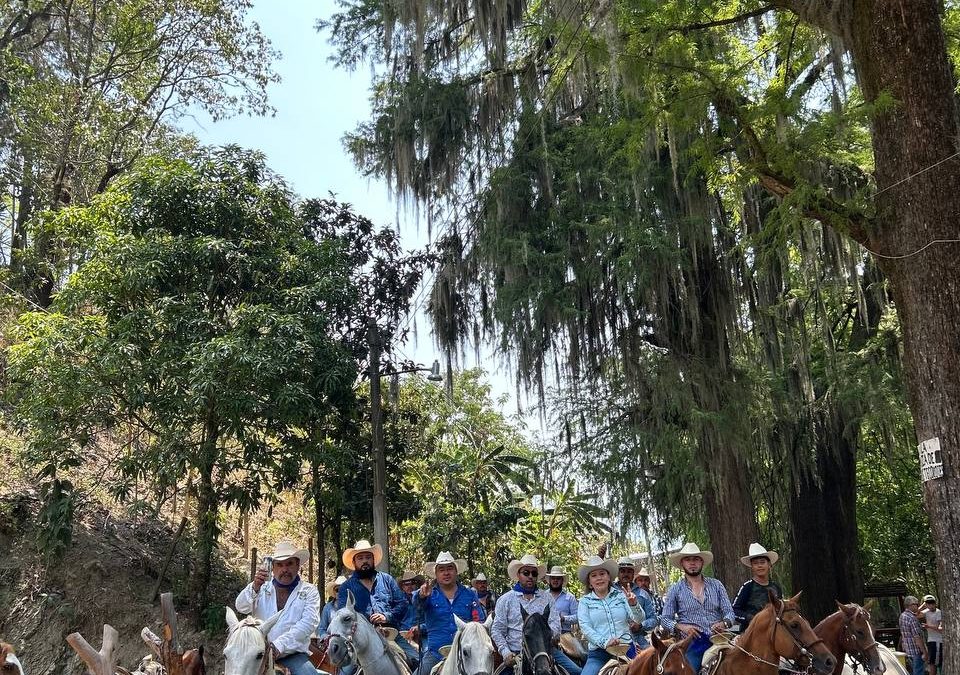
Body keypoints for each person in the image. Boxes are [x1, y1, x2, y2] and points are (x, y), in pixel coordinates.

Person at [235, 540, 322, 675]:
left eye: (289, 564)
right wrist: (254, 587)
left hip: (292, 655)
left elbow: (308, 624)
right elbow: (241, 607)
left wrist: (278, 646)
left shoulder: (309, 591)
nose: (285, 569)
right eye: (280, 565)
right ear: (273, 568)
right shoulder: (261, 587)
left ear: (297, 565)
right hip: (256, 653)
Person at [492, 554, 582, 675]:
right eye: (526, 573)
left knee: (577, 672)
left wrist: (547, 635)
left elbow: (555, 624)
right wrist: (505, 652)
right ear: (518, 575)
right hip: (515, 653)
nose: (530, 576)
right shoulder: (505, 600)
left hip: (545, 651)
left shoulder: (546, 597)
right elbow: (497, 630)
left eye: (534, 574)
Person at [659, 543, 735, 673]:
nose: (692, 563)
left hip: (719, 639)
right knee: (689, 670)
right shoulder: (675, 589)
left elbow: (729, 613)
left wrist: (723, 623)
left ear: (702, 562)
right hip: (692, 644)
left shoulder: (716, 585)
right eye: (688, 560)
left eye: (696, 559)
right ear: (682, 563)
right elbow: (665, 620)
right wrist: (683, 627)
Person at [415, 552, 486, 675]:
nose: (446, 573)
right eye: (441, 570)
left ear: (456, 571)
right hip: (436, 653)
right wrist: (421, 596)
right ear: (436, 574)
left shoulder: (469, 594)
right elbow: (417, 603)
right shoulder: (428, 593)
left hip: (466, 654)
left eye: (450, 568)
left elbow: (478, 623)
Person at [576, 555, 642, 675]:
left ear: (609, 577)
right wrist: (605, 642)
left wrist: (634, 605)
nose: (599, 578)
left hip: (626, 648)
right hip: (599, 653)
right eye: (594, 575)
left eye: (602, 574)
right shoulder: (584, 602)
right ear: (589, 582)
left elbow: (638, 619)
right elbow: (586, 628)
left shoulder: (621, 595)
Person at [337, 539, 408, 629]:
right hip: (361, 636)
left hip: (390, 632)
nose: (365, 561)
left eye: (368, 557)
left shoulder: (387, 579)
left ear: (373, 559)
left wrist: (386, 616)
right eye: (360, 558)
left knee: (406, 644)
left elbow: (402, 604)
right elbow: (344, 614)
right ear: (354, 562)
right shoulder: (346, 587)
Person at [731, 543, 783, 631]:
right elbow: (734, 611)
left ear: (769, 564)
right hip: (751, 632)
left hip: (773, 631)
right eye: (755, 563)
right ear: (752, 567)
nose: (759, 566)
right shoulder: (747, 587)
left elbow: (781, 609)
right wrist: (750, 618)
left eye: (762, 562)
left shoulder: (776, 587)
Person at [615, 557, 657, 649]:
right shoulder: (610, 591)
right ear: (617, 573)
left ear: (633, 574)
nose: (626, 574)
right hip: (614, 641)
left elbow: (653, 619)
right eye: (622, 571)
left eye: (629, 571)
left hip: (638, 640)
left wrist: (641, 625)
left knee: (653, 658)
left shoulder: (643, 594)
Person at [398, 569, 425, 668]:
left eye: (412, 583)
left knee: (425, 656)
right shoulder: (399, 601)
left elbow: (432, 621)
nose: (409, 586)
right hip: (403, 636)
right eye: (406, 584)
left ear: (417, 584)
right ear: (402, 587)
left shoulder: (425, 599)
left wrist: (420, 628)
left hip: (422, 636)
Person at [900, 596, 928, 675]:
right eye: (916, 604)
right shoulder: (912, 618)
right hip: (916, 651)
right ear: (911, 605)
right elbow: (917, 638)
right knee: (918, 672)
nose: (917, 606)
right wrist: (924, 652)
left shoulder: (902, 616)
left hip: (908, 650)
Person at [546, 566, 579, 634]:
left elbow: (578, 617)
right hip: (545, 633)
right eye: (553, 578)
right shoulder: (543, 596)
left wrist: (564, 619)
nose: (555, 580)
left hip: (565, 634)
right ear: (549, 580)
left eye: (558, 578)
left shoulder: (570, 597)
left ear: (562, 581)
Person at [921, 594, 943, 675]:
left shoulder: (938, 612)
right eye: (928, 603)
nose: (930, 605)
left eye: (932, 603)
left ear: (935, 603)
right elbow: (915, 614)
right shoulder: (926, 611)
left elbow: (941, 629)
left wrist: (928, 626)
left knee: (934, 664)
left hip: (937, 641)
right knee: (931, 664)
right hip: (930, 641)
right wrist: (923, 605)